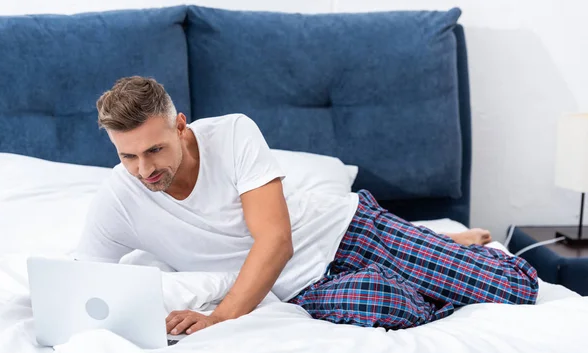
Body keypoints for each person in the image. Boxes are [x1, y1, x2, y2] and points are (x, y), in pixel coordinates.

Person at [74, 76, 538, 335]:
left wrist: (219, 318)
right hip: (297, 286)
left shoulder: (232, 132)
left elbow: (275, 239)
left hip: (345, 231)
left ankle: (448, 251)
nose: (143, 169)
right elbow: (82, 282)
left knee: (514, 290)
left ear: (179, 126)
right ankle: (435, 251)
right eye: (127, 155)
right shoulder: (120, 195)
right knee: (386, 302)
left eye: (153, 150)